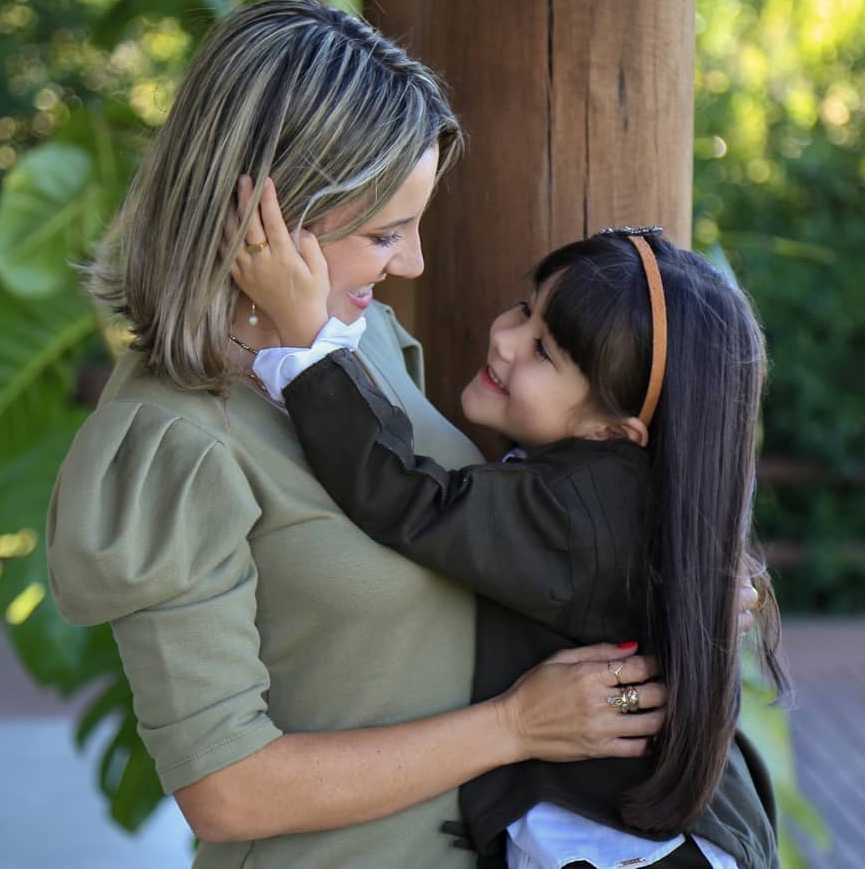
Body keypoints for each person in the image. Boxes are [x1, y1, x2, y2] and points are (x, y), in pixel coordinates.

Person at [46, 0, 680, 869]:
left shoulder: (360, 343)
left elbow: (484, 529)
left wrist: (681, 566)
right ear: (269, 215)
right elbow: (228, 790)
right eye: (388, 233)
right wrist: (514, 726)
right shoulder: (175, 442)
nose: (413, 262)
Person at [228, 203, 788, 869]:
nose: (505, 337)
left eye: (544, 350)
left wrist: (301, 332)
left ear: (618, 429)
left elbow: (403, 497)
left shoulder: (579, 513)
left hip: (621, 849)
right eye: (526, 310)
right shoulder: (641, 493)